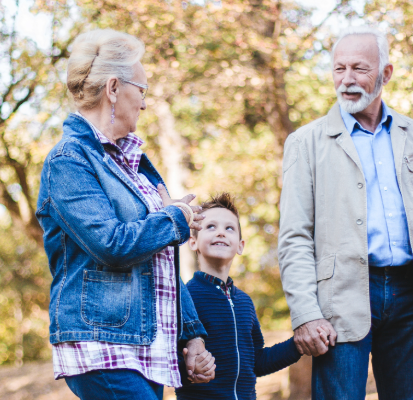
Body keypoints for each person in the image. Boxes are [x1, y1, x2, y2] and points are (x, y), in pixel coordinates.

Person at [278, 24, 413, 400]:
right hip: (340, 295)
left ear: (385, 73)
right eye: (339, 69)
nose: (347, 79)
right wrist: (306, 313)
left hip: (410, 293)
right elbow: (293, 237)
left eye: (359, 68)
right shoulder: (305, 143)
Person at [37, 28, 216, 400]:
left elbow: (161, 265)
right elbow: (111, 244)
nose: (145, 104)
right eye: (143, 90)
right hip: (102, 346)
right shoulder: (68, 161)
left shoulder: (136, 167)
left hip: (145, 346)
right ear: (114, 88)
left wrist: (192, 333)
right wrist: (175, 218)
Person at [175, 193, 310, 400]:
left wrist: (298, 344)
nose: (220, 233)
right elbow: (170, 360)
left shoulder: (244, 302)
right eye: (211, 227)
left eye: (229, 228)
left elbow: (257, 362)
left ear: (240, 245)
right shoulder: (186, 297)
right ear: (193, 242)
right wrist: (190, 370)